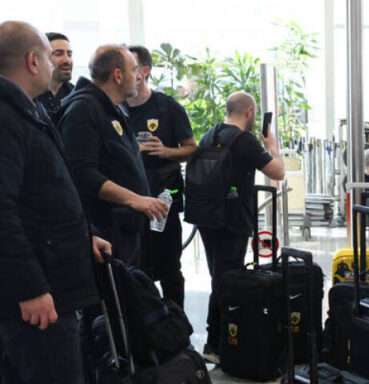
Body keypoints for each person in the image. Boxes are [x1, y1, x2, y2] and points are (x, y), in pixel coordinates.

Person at [0, 20, 111, 384]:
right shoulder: (7, 117)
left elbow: (41, 197)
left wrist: (84, 237)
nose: (54, 63)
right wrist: (30, 287)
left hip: (47, 278)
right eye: (49, 56)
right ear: (32, 61)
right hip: (39, 292)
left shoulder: (27, 110)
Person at [195, 92, 285, 363]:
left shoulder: (209, 135)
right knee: (227, 280)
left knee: (218, 277)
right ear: (249, 112)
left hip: (206, 216)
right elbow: (278, 172)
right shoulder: (244, 140)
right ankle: (216, 343)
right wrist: (272, 146)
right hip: (232, 220)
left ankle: (218, 341)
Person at [60, 44, 165, 267]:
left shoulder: (112, 108)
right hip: (106, 232)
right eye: (134, 70)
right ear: (117, 75)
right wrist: (135, 199)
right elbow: (82, 172)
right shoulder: (83, 109)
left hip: (126, 229)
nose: (139, 76)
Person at [126, 45, 197, 308]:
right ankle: (145, 325)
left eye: (129, 66)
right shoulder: (114, 108)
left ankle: (176, 323)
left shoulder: (167, 107)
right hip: (129, 203)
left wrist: (166, 151)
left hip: (164, 200)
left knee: (169, 267)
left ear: (144, 71)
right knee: (135, 268)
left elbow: (191, 149)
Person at [32, 32, 72, 122]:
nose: (67, 60)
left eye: (69, 54)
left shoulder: (75, 95)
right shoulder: (30, 94)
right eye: (58, 54)